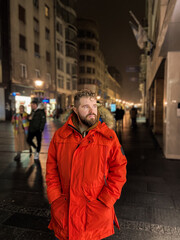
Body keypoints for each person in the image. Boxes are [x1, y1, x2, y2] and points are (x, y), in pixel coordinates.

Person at [46, 89, 127, 240]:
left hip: (96, 211)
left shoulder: (108, 136)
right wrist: (55, 197)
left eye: (94, 106)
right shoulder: (60, 136)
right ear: (75, 110)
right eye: (86, 107)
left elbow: (119, 170)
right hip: (65, 209)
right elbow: (51, 169)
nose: (92, 111)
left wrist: (107, 199)